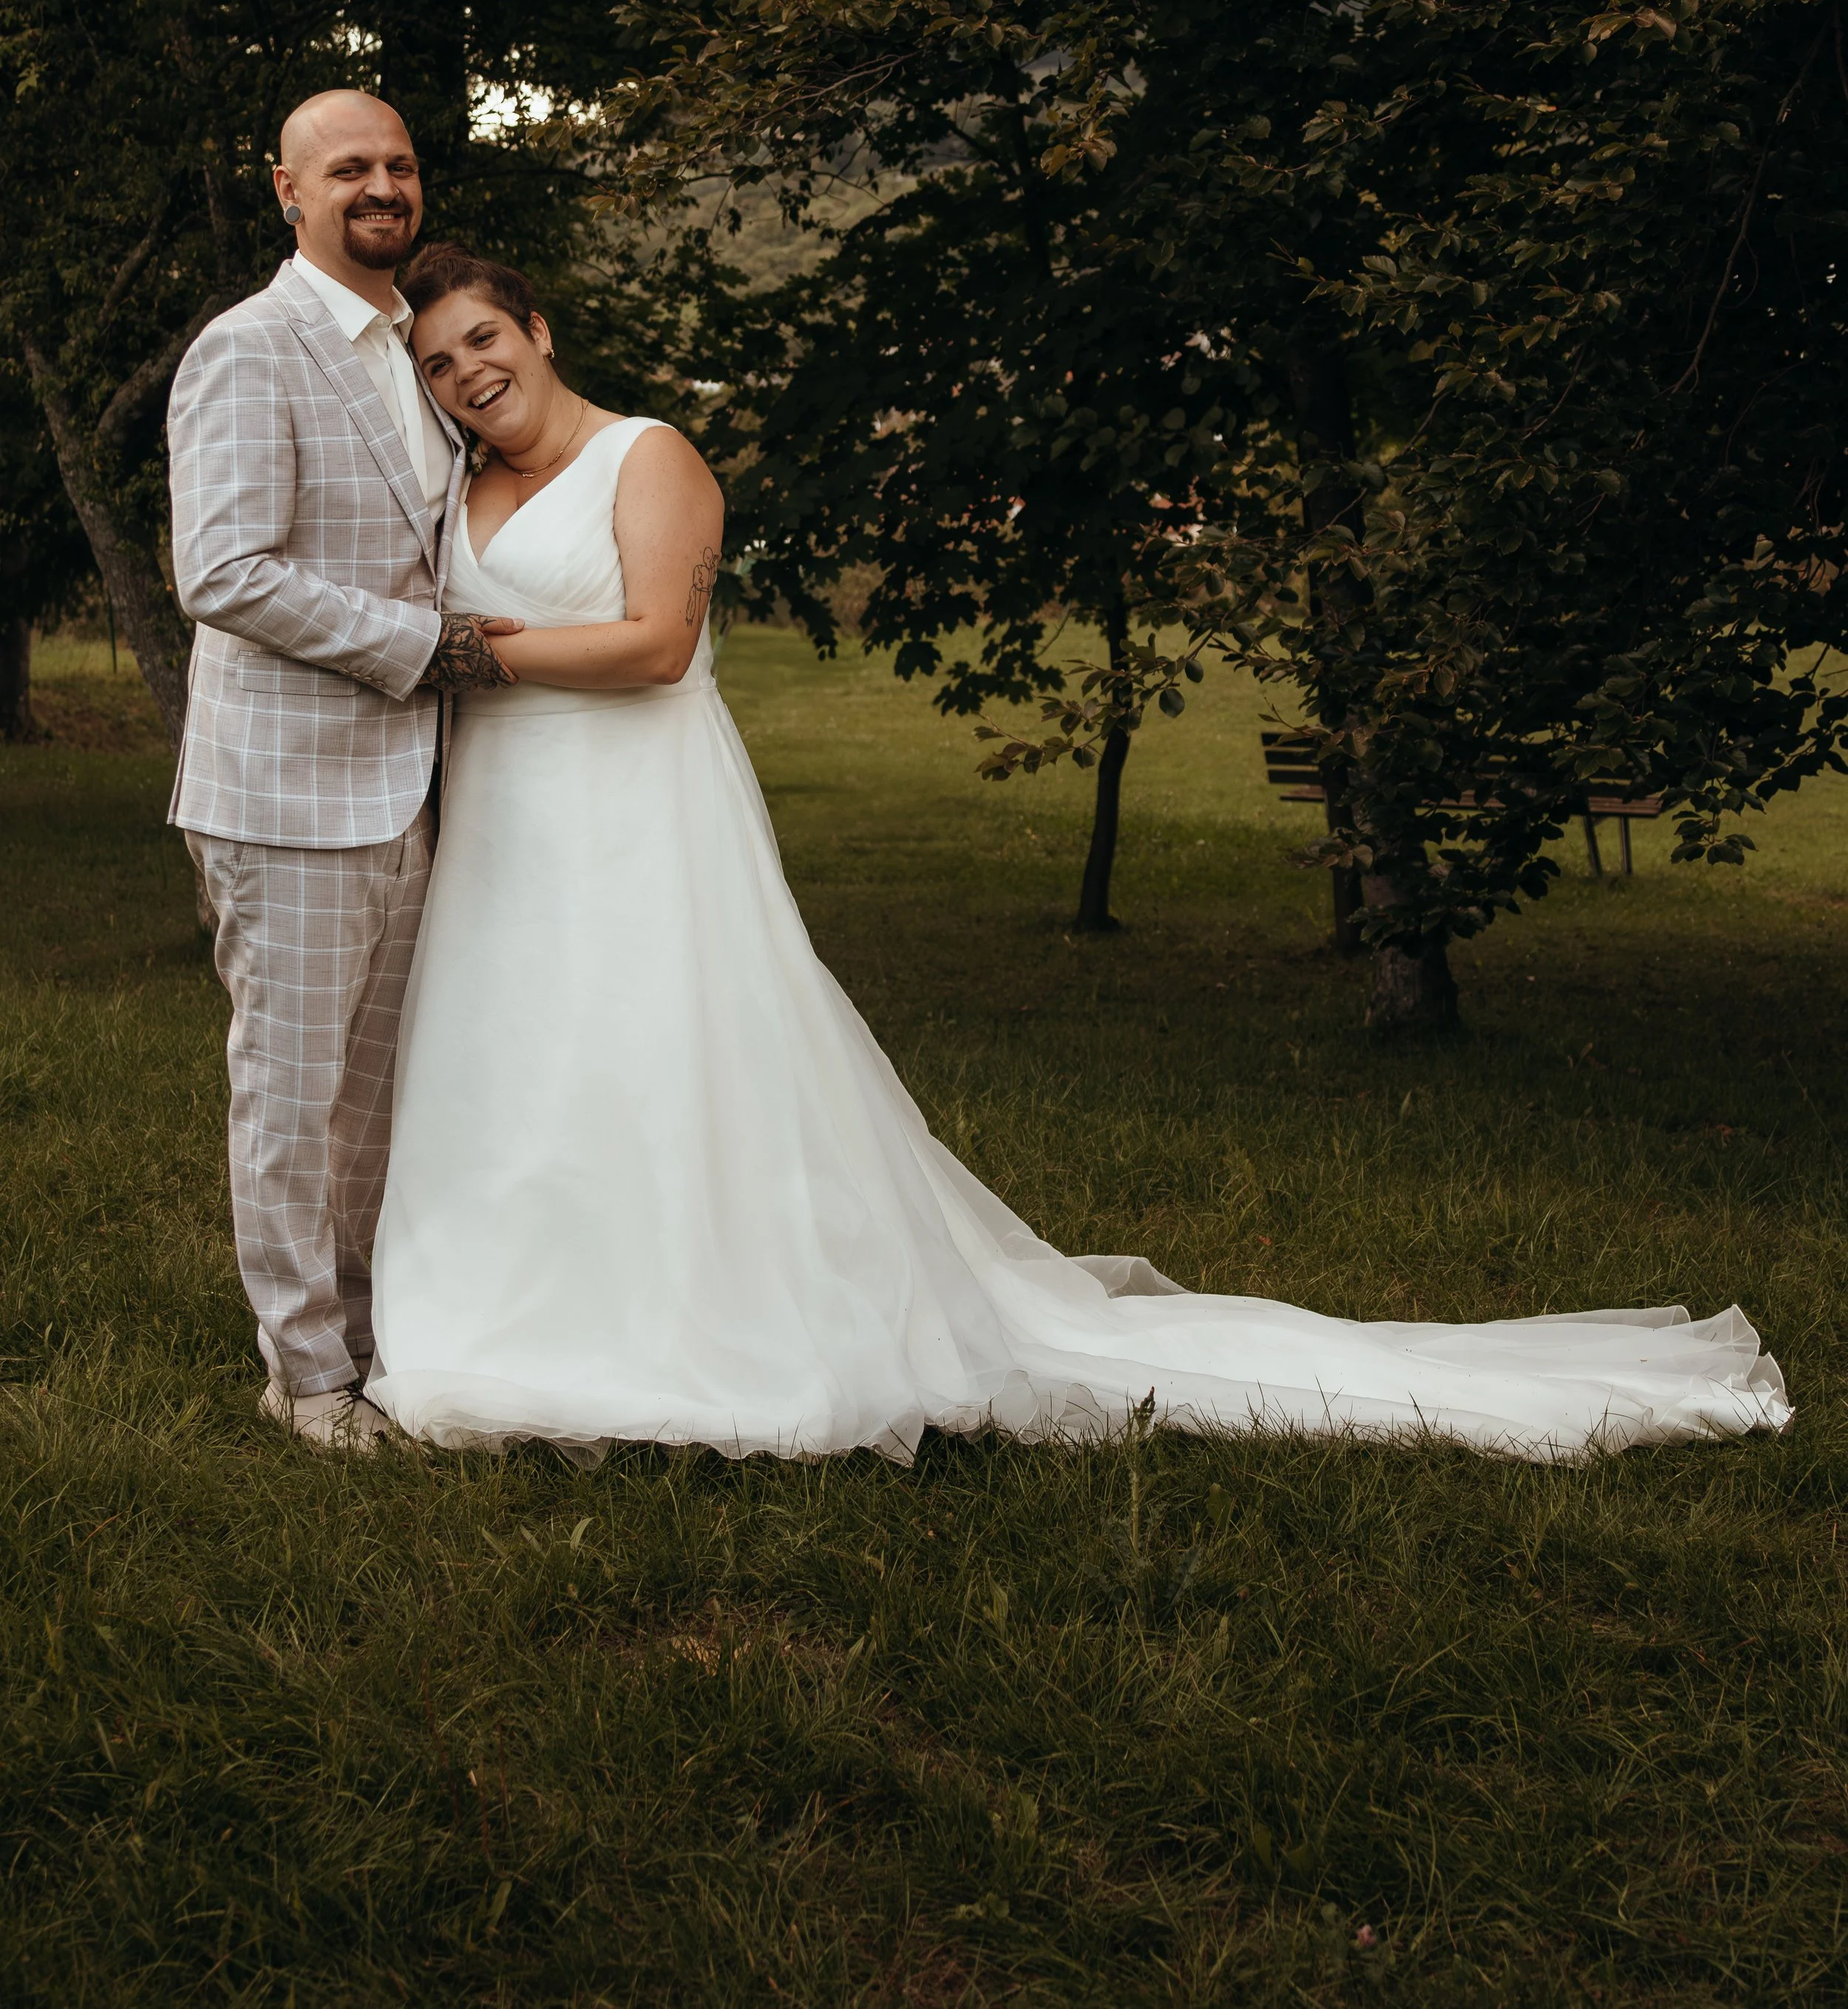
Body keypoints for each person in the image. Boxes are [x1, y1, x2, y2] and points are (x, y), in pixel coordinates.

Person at [366, 245, 1792, 1463]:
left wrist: (464, 648)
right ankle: (517, 1311)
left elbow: (660, 646)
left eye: (483, 338)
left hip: (636, 813)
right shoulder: (456, 486)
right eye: (436, 363)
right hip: (501, 822)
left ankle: (697, 1324)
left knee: (659, 1055)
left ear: (537, 328)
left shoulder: (649, 454)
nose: (467, 372)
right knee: (523, 1056)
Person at [166, 93, 523, 1452]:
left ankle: (368, 1336)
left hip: (411, 789)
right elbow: (223, 570)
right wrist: (426, 650)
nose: (382, 185)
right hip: (286, 792)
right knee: (295, 1094)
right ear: (287, 189)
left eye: (401, 165)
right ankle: (306, 1375)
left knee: (371, 1102)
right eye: (350, 167)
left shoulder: (417, 347)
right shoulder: (248, 348)